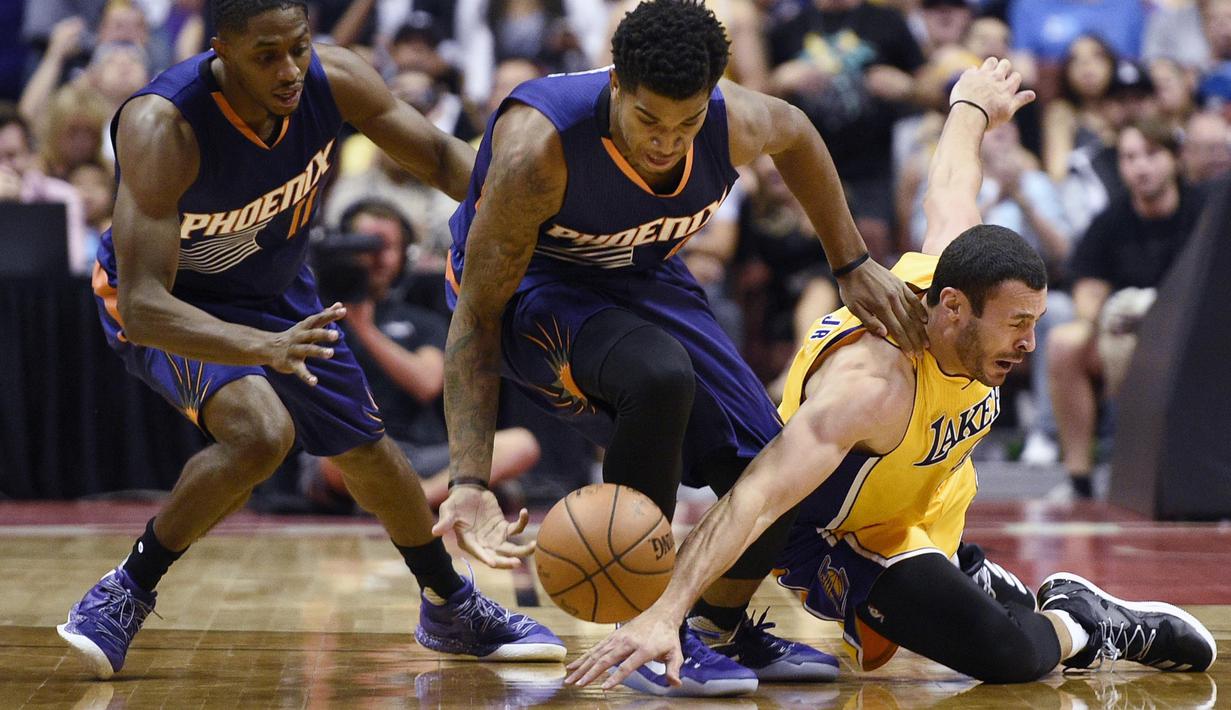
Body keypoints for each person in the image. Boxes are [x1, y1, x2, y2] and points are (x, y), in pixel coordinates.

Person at [564, 57, 1217, 693]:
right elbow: (753, 497)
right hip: (839, 540)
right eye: (1016, 324)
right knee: (1012, 657)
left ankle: (981, 580)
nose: (1029, 343)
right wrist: (663, 613)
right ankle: (1087, 621)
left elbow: (950, 185)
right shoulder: (869, 385)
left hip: (920, 512)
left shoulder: (961, 272)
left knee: (1002, 627)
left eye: (1035, 321)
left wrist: (970, 103)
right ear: (952, 309)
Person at [55, 0, 564, 681]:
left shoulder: (336, 78)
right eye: (266, 55)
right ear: (220, 51)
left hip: (277, 289)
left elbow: (443, 156)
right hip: (173, 301)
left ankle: (449, 603)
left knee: (369, 451)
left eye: (298, 47)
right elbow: (145, 306)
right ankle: (126, 589)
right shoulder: (163, 126)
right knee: (261, 435)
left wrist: (535, 214)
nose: (290, 69)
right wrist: (260, 349)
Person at [435, 0, 927, 697]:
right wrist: (469, 480)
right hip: (529, 291)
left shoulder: (734, 119)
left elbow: (797, 133)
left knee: (777, 464)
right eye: (648, 121)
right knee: (658, 375)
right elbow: (478, 316)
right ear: (615, 86)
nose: (667, 143)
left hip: (639, 272)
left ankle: (716, 626)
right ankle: (639, 626)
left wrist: (850, 262)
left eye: (686, 123)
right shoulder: (539, 148)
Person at [304, 199, 542, 511]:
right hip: (355, 450)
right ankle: (435, 497)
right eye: (366, 244)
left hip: (421, 452)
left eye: (386, 246)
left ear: (404, 254)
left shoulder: (422, 321)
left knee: (521, 444)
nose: (376, 257)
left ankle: (416, 498)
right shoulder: (314, 316)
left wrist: (365, 329)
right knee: (337, 451)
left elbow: (427, 383)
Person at [1047, 119, 1207, 499]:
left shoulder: (1204, 212)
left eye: (1151, 155)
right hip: (1127, 339)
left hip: (1195, 340)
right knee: (1064, 343)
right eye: (1129, 158)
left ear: (1175, 159)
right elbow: (1088, 290)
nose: (1140, 167)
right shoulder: (1111, 221)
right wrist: (1097, 322)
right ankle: (1079, 479)